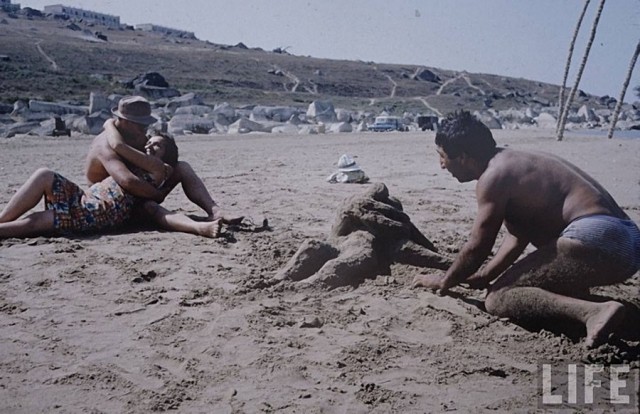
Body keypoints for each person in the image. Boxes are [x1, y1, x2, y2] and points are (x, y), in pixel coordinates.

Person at [412, 110, 640, 348]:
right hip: (628, 241)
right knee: (541, 284)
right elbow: (517, 236)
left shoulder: (493, 176)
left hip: (597, 236)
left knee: (499, 298)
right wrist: (485, 275)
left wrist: (445, 281)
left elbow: (478, 246)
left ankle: (594, 312)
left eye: (442, 156)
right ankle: (623, 317)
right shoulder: (513, 161)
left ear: (464, 157)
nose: (441, 165)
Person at [0, 134, 223, 239]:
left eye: (158, 145)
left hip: (91, 214)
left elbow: (117, 143)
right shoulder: (137, 164)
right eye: (149, 142)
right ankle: (2, 219)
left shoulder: (159, 168)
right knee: (43, 174)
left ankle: (200, 226)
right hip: (82, 199)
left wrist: (110, 122)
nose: (150, 146)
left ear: (168, 157)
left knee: (35, 222)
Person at [85, 95, 241, 224]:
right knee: (151, 207)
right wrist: (157, 195)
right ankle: (192, 224)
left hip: (139, 192)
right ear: (125, 121)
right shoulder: (105, 144)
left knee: (183, 167)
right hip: (114, 202)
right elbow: (127, 181)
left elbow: (163, 158)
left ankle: (215, 211)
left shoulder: (135, 135)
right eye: (141, 125)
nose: (144, 129)